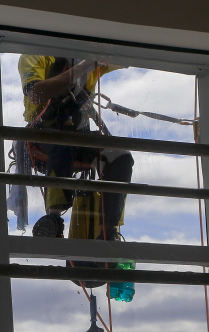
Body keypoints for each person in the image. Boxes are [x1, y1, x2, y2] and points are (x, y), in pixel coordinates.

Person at [18, 55, 135, 241]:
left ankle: (108, 229)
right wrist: (83, 67)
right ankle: (53, 218)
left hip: (80, 136)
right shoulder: (36, 56)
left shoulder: (86, 56)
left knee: (120, 156)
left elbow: (128, 57)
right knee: (64, 141)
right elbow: (35, 94)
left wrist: (102, 52)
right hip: (44, 135)